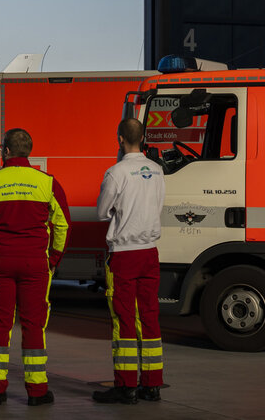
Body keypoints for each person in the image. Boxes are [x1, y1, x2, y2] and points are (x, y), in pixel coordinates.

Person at [0, 128, 70, 407]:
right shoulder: (47, 182)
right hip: (35, 263)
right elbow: (62, 224)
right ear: (28, 151)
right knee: (33, 325)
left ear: (6, 151)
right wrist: (53, 258)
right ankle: (37, 392)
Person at [93, 118, 166, 405]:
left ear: (120, 139)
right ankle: (152, 385)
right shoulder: (158, 171)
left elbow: (101, 212)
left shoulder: (116, 173)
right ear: (143, 138)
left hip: (124, 255)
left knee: (123, 319)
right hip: (150, 252)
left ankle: (125, 386)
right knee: (148, 317)